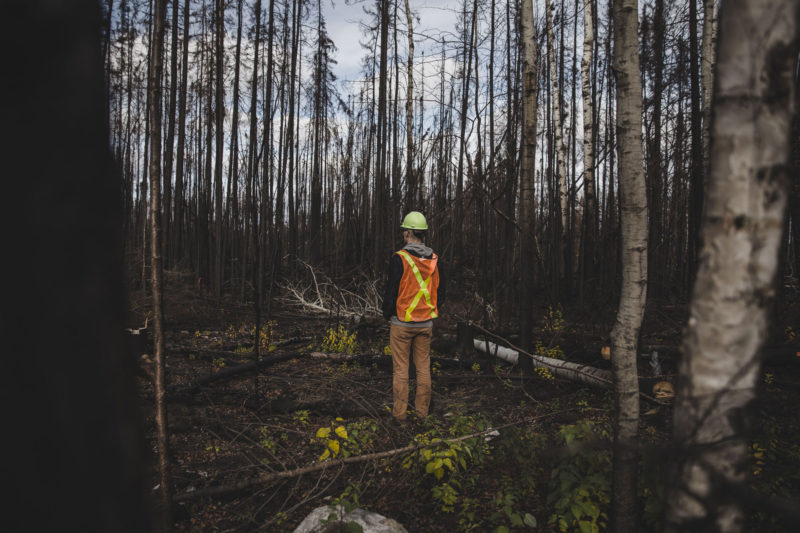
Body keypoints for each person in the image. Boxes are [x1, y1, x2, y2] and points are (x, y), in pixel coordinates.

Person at [382, 211, 446, 422]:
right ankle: (421, 415)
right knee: (423, 369)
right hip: (425, 324)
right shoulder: (435, 260)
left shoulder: (399, 259)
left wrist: (387, 314)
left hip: (401, 323)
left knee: (401, 371)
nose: (403, 235)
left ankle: (399, 417)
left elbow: (390, 292)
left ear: (409, 233)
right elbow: (441, 293)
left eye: (404, 231)